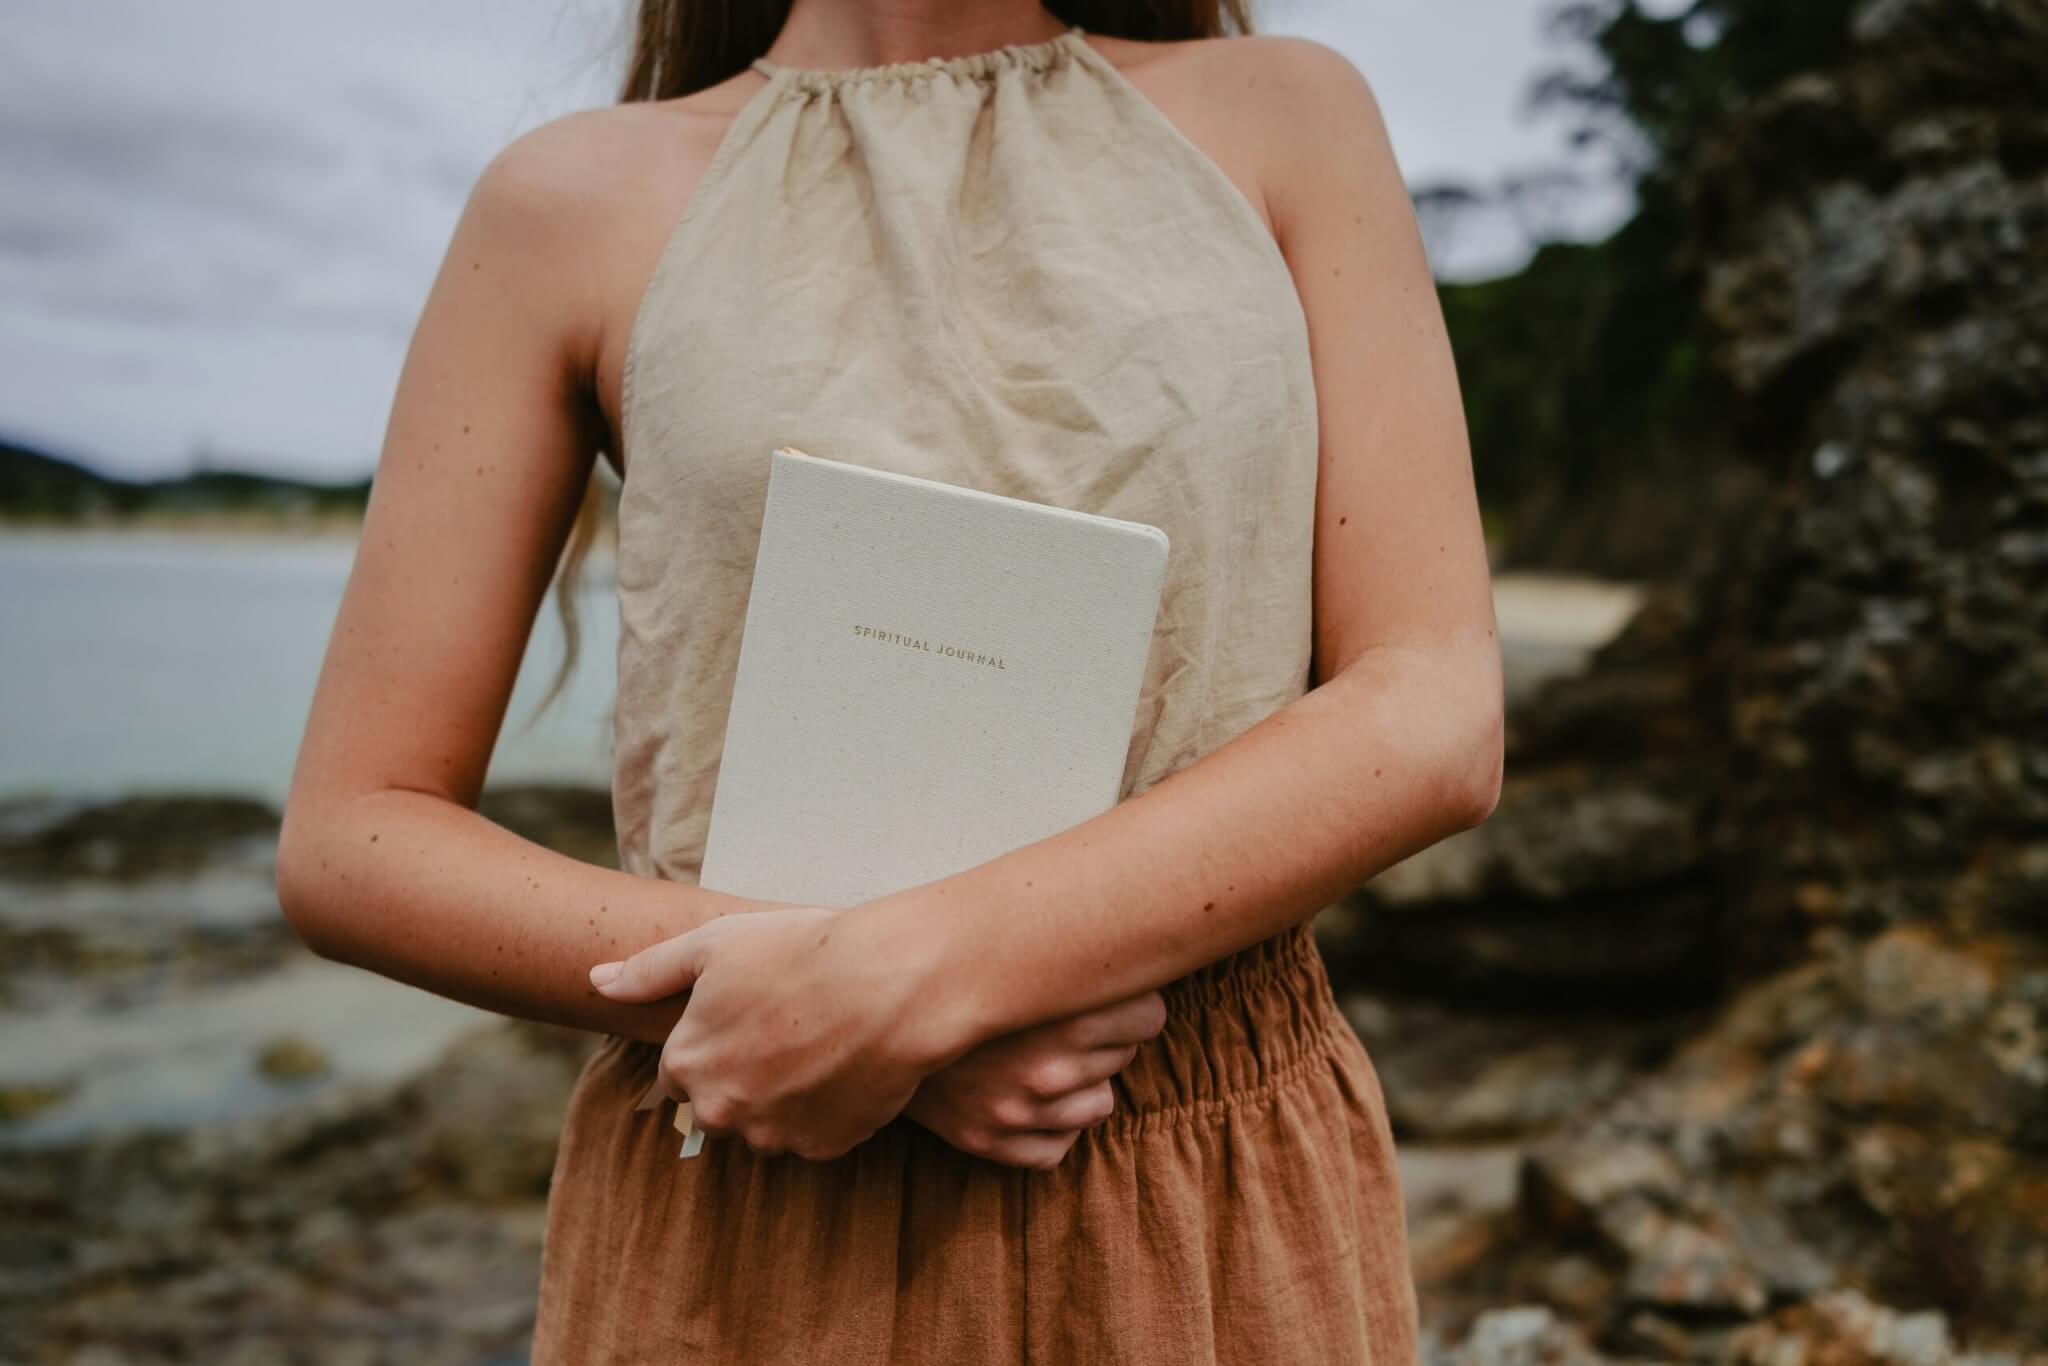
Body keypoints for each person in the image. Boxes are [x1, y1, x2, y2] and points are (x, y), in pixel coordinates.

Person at [275, 0, 1504, 1360]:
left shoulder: (1287, 117)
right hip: (755, 1170)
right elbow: (354, 831)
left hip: (1198, 1167)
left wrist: (916, 980)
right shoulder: (567, 201)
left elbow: (1433, 703)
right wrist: (800, 1002)